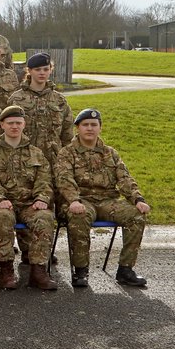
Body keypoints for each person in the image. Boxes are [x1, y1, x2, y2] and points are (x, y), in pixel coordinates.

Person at [56, 108, 151, 288]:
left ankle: (125, 270)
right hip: (80, 201)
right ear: (78, 128)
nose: (90, 128)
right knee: (79, 216)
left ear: (100, 128)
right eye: (85, 125)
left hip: (107, 201)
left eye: (94, 125)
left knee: (136, 216)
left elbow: (124, 178)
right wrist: (73, 200)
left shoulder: (110, 153)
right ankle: (81, 271)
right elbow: (64, 179)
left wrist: (138, 199)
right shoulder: (67, 153)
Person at [0, 106, 57, 290]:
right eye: (10, 123)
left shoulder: (35, 152)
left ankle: (38, 272)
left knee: (44, 217)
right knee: (3, 216)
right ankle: (6, 272)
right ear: (2, 125)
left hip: (29, 204)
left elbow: (44, 180)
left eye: (18, 123)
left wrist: (42, 198)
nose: (14, 126)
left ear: (24, 125)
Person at [7, 52, 73, 164]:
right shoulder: (16, 99)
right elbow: (6, 130)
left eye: (46, 69)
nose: (42, 73)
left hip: (53, 158)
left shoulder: (59, 100)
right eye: (37, 69)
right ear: (30, 71)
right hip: (24, 158)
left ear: (51, 70)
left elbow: (67, 133)